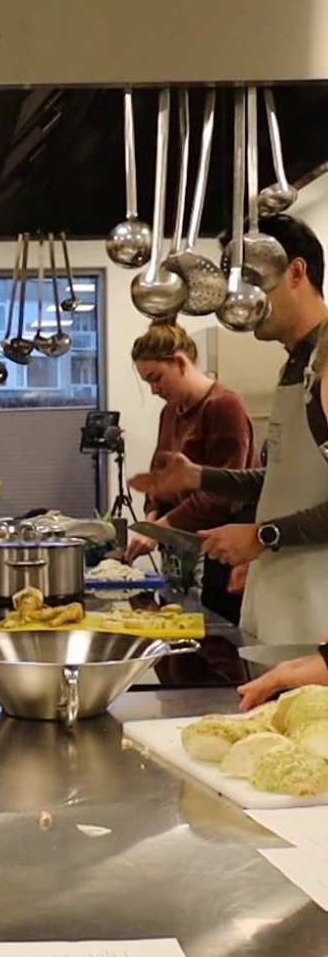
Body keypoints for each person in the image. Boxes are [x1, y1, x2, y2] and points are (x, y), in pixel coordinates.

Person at [130, 214, 328, 646]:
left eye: (253, 285)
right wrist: (200, 477)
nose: (239, 303)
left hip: (319, 609)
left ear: (296, 271)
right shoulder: (295, 365)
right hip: (286, 598)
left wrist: (262, 536)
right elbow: (284, 484)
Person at [124, 322, 257, 624]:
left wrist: (164, 529)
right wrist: (152, 518)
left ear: (181, 362)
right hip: (180, 553)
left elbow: (222, 495)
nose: (155, 390)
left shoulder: (224, 406)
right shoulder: (171, 412)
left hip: (220, 551)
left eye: (157, 379)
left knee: (214, 642)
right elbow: (159, 478)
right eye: (148, 383)